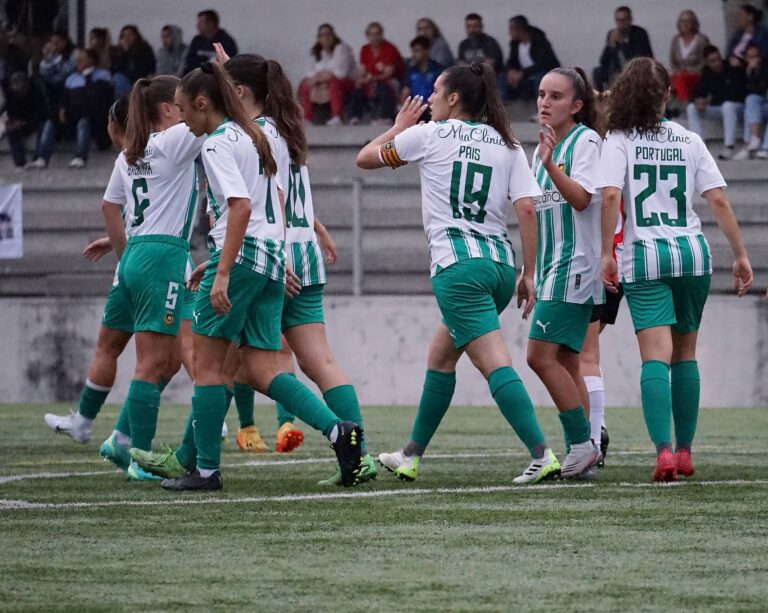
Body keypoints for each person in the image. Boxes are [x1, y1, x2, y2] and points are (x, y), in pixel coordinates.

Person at [160, 61, 363, 491]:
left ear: (202, 103)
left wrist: (222, 271)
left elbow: (241, 207)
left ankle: (206, 471)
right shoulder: (258, 135)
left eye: (183, 109)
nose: (180, 119)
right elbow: (277, 199)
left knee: (209, 366)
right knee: (261, 367)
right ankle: (337, 430)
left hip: (245, 256)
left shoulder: (218, 142)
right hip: (273, 256)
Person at [357, 62, 560, 485]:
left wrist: (397, 127)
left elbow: (364, 159)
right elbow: (526, 208)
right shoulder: (507, 144)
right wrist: (529, 273)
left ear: (453, 98)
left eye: (434, 91)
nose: (428, 99)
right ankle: (411, 454)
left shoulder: (427, 135)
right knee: (441, 356)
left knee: (494, 363)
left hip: (458, 267)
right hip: (500, 267)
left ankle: (542, 453)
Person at [598, 57, 753, 482]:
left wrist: (605, 253)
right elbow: (718, 200)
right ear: (668, 94)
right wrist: (740, 255)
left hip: (645, 255)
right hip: (692, 254)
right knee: (686, 354)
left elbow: (611, 196)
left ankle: (663, 452)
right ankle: (685, 452)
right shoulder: (688, 139)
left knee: (654, 357)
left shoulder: (618, 139)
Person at [526, 67, 602, 478]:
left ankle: (578, 444)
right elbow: (536, 217)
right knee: (569, 362)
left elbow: (583, 197)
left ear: (576, 106)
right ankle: (587, 449)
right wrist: (529, 271)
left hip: (575, 264)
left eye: (555, 96)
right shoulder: (540, 149)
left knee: (538, 356)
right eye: (541, 94)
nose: (544, 102)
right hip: (551, 266)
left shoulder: (586, 140)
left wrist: (552, 165)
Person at [686, 45, 747, 160]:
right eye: (712, 61)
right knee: (692, 108)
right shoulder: (707, 72)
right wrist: (698, 100)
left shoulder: (732, 68)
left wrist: (710, 100)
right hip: (719, 108)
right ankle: (700, 146)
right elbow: (699, 91)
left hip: (737, 107)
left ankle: (729, 146)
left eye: (718, 59)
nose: (717, 63)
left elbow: (737, 93)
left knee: (727, 106)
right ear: (707, 62)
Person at [58, 48, 114, 168]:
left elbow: (99, 98)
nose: (77, 62)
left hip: (97, 118)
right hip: (73, 117)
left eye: (80, 60)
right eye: (76, 60)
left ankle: (80, 157)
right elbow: (65, 99)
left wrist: (87, 76)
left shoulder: (102, 75)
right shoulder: (71, 78)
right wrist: (62, 109)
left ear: (90, 60)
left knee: (84, 121)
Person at [298, 24, 356, 126]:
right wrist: (318, 78)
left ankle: (336, 116)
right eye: (323, 35)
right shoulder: (316, 52)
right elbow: (310, 72)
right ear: (319, 38)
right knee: (304, 84)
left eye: (329, 34)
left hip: (346, 82)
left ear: (334, 36)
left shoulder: (342, 49)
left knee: (334, 82)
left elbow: (339, 73)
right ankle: (307, 118)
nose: (326, 38)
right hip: (322, 82)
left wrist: (319, 77)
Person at [348, 22, 404, 124]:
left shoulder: (390, 48)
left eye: (377, 34)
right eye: (372, 34)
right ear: (367, 36)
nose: (375, 37)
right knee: (357, 88)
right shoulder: (365, 49)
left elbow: (389, 73)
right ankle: (355, 116)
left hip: (391, 80)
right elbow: (363, 69)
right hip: (372, 79)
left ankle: (385, 117)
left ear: (382, 34)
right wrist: (360, 80)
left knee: (383, 87)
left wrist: (371, 79)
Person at [594, 6, 653, 91]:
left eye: (624, 20)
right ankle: (602, 99)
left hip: (635, 70)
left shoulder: (640, 33)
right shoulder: (612, 34)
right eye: (618, 20)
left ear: (630, 20)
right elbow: (603, 61)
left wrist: (623, 43)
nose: (621, 24)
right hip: (617, 71)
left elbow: (639, 58)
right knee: (597, 72)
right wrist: (610, 45)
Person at [4, 71, 52, 170]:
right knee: (11, 131)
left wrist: (24, 122)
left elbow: (43, 112)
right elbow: (10, 111)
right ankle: (20, 163)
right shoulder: (10, 94)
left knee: (47, 125)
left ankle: (40, 157)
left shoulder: (36, 90)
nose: (17, 90)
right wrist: (12, 122)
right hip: (21, 122)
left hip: (37, 120)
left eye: (20, 86)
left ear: (27, 85)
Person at [504, 16, 560, 101]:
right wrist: (511, 71)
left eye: (511, 29)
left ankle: (543, 107)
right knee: (501, 78)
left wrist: (522, 73)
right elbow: (511, 61)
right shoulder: (515, 44)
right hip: (526, 76)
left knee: (540, 79)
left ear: (520, 29)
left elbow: (543, 64)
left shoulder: (539, 41)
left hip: (542, 74)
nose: (509, 33)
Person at [734, 44, 768, 159]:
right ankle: (753, 140)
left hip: (765, 100)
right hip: (758, 106)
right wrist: (749, 72)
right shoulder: (742, 70)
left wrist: (754, 73)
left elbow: (761, 89)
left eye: (756, 56)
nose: (754, 59)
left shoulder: (765, 68)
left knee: (752, 104)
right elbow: (743, 92)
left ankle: (762, 147)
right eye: (750, 57)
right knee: (750, 101)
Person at [669, 10, 710, 104]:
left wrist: (691, 71)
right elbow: (672, 60)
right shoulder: (676, 39)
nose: (685, 24)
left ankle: (684, 105)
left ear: (694, 23)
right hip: (679, 74)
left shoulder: (701, 40)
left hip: (696, 74)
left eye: (688, 21)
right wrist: (677, 71)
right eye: (682, 21)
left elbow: (705, 60)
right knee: (664, 81)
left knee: (681, 80)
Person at [181, 9, 238, 74]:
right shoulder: (197, 40)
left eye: (200, 23)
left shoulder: (226, 42)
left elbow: (228, 65)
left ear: (211, 24)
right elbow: (189, 61)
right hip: (197, 76)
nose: (197, 26)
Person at [402, 36, 443, 121]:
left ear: (426, 51)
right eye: (413, 51)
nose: (414, 55)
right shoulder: (411, 71)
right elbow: (405, 93)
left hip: (433, 109)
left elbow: (442, 92)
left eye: (417, 51)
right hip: (415, 110)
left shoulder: (438, 70)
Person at [111, 25, 156, 96]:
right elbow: (114, 69)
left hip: (139, 81)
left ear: (136, 36)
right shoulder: (118, 52)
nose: (126, 38)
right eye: (124, 36)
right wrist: (125, 52)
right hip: (123, 82)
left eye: (129, 35)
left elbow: (145, 69)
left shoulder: (144, 50)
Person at [38, 30, 76, 109]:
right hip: (54, 87)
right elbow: (44, 73)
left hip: (70, 84)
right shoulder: (52, 54)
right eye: (52, 42)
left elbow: (67, 72)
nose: (54, 45)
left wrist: (55, 57)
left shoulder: (74, 53)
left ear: (65, 41)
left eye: (57, 42)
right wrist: (46, 58)